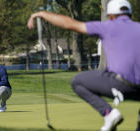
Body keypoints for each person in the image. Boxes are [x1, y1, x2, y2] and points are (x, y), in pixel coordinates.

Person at [27, 0, 140, 130]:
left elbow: (69, 23)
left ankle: (109, 113)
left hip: (121, 83)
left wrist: (42, 13)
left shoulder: (107, 26)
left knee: (78, 81)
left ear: (111, 16)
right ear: (130, 15)